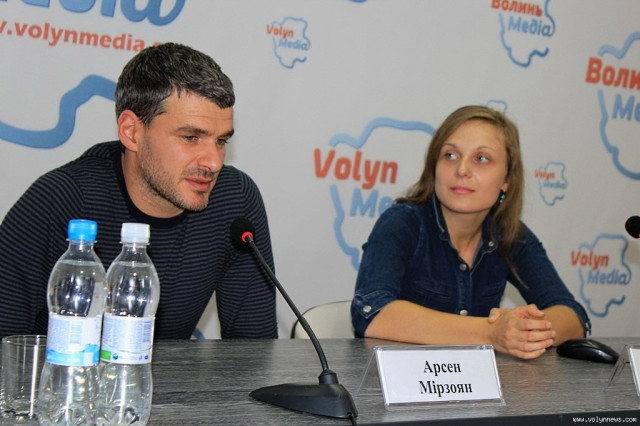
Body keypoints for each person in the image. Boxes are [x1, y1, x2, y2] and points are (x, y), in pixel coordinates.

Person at [0, 42, 277, 340]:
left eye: (221, 141)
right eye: (191, 137)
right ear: (131, 132)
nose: (213, 162)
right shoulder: (60, 199)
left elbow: (255, 350)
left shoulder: (235, 199)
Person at [351, 105, 590, 360]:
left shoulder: (509, 233)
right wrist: (491, 332)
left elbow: (573, 317)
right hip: (400, 380)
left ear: (507, 180)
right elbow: (372, 313)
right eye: (450, 155)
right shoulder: (403, 222)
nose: (462, 170)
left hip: (474, 382)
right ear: (434, 167)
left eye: (481, 159)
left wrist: (524, 331)